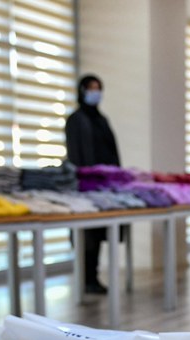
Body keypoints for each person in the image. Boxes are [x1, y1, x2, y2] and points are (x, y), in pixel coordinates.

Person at [65, 74, 122, 295]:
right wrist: (86, 177)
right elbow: (76, 155)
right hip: (84, 184)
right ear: (82, 91)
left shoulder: (102, 120)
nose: (95, 93)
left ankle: (93, 278)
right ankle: (84, 278)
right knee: (85, 235)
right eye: (91, 88)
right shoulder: (75, 120)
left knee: (97, 234)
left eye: (98, 88)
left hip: (103, 185)